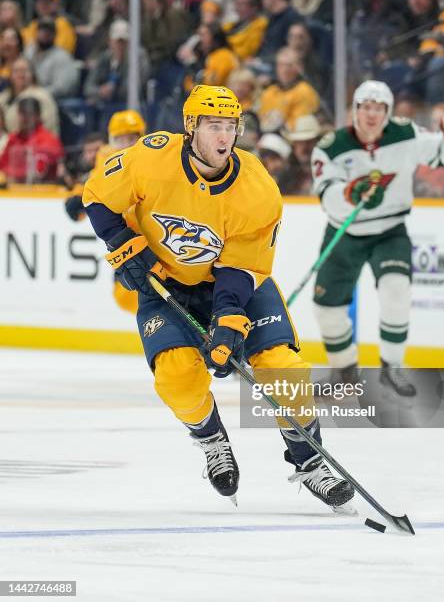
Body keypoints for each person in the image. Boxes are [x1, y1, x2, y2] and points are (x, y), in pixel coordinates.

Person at [82, 84, 355, 509]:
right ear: (190, 127)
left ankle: (310, 459)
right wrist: (124, 244)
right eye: (213, 126)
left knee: (283, 368)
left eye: (231, 126)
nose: (224, 136)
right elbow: (97, 196)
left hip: (238, 284)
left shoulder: (257, 188)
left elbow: (241, 267)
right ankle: (211, 438)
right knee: (177, 377)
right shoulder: (151, 157)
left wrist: (228, 321)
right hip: (165, 283)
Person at [310, 80, 444, 396]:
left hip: (389, 230)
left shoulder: (406, 134)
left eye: (379, 108)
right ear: (355, 110)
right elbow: (326, 194)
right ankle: (344, 372)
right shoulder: (330, 147)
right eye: (366, 107)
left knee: (397, 290)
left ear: (388, 111)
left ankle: (392, 369)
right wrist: (350, 194)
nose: (372, 114)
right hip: (346, 231)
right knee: (326, 309)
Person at [65, 109, 146, 314]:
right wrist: (77, 199)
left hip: (154, 234)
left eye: (132, 138)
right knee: (125, 295)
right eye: (120, 139)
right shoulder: (106, 160)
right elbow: (89, 188)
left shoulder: (151, 159)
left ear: (141, 137)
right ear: (111, 140)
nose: (126, 144)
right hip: (125, 239)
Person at [0, 96, 64, 183]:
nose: (25, 117)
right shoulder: (13, 139)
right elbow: (2, 166)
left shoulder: (49, 140)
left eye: (29, 113)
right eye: (22, 113)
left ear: (38, 115)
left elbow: (42, 171)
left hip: (43, 191)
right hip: (14, 191)